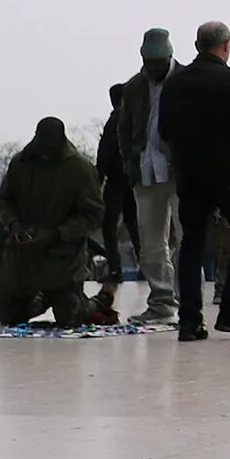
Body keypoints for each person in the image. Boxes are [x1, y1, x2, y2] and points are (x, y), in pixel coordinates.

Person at [159, 21, 230, 341]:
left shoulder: (174, 84)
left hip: (189, 172)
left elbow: (164, 131)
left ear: (196, 45)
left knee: (191, 242)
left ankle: (190, 319)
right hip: (226, 171)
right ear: (226, 45)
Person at [0, 117, 106, 325]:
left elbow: (94, 214)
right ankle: (41, 299)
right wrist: (15, 225)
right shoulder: (20, 163)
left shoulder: (79, 168)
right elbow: (5, 199)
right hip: (23, 253)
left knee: (70, 316)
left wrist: (58, 233)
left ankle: (98, 302)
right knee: (9, 316)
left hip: (62, 255)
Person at [112, 30, 184, 328]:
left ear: (168, 57)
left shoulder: (186, 81)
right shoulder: (134, 87)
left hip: (181, 171)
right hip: (145, 171)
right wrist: (130, 163)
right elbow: (124, 129)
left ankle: (187, 300)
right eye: (147, 61)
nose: (152, 68)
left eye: (157, 62)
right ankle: (162, 301)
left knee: (188, 239)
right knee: (152, 243)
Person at [94, 85, 138, 313]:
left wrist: (98, 179)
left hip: (116, 178)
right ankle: (145, 264)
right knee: (134, 221)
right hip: (134, 176)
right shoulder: (134, 117)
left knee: (109, 223)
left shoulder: (115, 119)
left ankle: (114, 267)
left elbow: (105, 150)